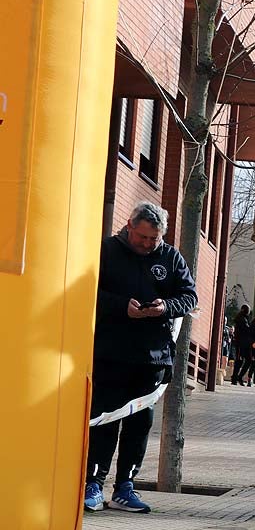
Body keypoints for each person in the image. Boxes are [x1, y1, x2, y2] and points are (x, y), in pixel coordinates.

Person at [84, 201, 197, 513]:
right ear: (130, 227)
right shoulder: (106, 250)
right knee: (106, 418)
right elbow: (88, 290)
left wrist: (164, 307)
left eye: (154, 239)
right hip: (111, 352)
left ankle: (125, 487)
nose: (148, 244)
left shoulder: (171, 257)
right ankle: (93, 483)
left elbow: (189, 296)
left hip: (153, 357)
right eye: (143, 237)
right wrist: (123, 307)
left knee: (139, 423)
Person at [231, 304, 253, 385]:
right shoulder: (242, 319)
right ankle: (235, 378)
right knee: (239, 361)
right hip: (241, 344)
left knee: (246, 360)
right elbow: (247, 330)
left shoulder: (244, 319)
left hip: (244, 344)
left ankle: (237, 377)